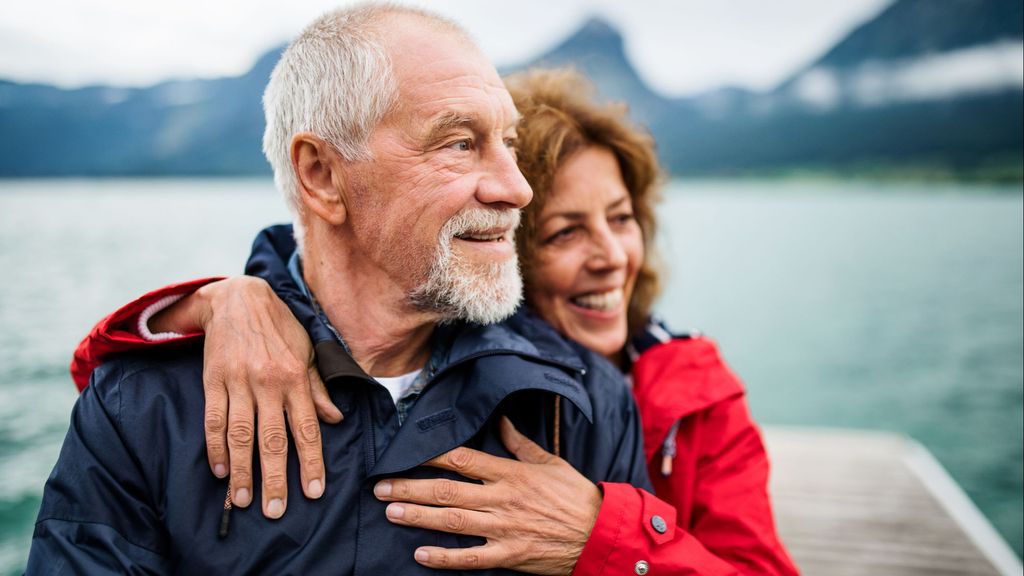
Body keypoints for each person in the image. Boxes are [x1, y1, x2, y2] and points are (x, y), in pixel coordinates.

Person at [67, 67, 799, 574]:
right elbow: (118, 394)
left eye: (622, 219)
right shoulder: (255, 355)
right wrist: (224, 299)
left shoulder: (688, 390)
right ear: (493, 238)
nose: (613, 255)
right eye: (565, 232)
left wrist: (601, 538)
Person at [28, 6, 652, 575]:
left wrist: (605, 543)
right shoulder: (145, 407)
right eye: (460, 143)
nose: (517, 188)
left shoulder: (581, 401)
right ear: (322, 174)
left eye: (508, 143)